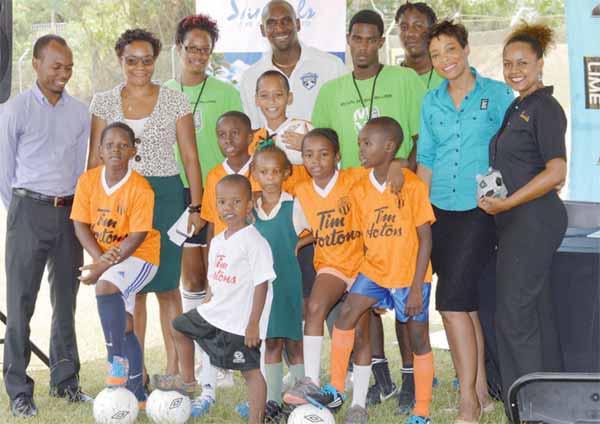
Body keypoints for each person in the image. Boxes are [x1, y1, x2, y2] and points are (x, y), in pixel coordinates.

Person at [88, 28, 204, 389]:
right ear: (119, 60)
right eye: (131, 60)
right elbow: (94, 160)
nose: (140, 67)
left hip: (166, 199)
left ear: (156, 60)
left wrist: (196, 206)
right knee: (128, 288)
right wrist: (95, 210)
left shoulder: (175, 101)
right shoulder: (103, 102)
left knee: (168, 287)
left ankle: (174, 370)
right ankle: (133, 372)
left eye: (147, 60)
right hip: (120, 204)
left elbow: (190, 157)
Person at [306, 117, 435, 424]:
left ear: (389, 147)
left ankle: (422, 411)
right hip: (374, 271)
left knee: (419, 340)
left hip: (408, 276)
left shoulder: (411, 185)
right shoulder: (360, 187)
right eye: (359, 143)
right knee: (347, 315)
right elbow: (363, 236)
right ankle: (336, 388)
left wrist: (416, 288)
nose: (361, 149)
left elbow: (426, 238)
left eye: (367, 143)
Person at [416, 20, 513, 422]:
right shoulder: (431, 101)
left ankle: (468, 404)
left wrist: (508, 201)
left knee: (452, 303)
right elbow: (426, 159)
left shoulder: (497, 93)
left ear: (466, 48)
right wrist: (420, 216)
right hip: (439, 210)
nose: (445, 60)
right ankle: (481, 393)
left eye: (450, 50)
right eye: (436, 54)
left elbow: (513, 150)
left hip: (481, 211)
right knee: (465, 305)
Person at [478, 23, 567, 421]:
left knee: (513, 317)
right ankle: (553, 402)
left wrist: (509, 202)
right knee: (535, 315)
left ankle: (527, 409)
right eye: (508, 64)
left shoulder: (545, 108)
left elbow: (557, 171)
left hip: (533, 220)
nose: (514, 71)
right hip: (515, 220)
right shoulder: (517, 106)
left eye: (523, 63)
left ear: (540, 64)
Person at [0, 34, 92, 417]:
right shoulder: (14, 110)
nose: (63, 74)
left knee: (66, 302)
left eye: (68, 67)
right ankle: (19, 390)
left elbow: (82, 170)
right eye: (56, 66)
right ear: (36, 63)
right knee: (20, 303)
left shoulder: (80, 113)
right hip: (27, 212)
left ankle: (66, 381)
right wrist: (23, 210)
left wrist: (74, 210)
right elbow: (4, 170)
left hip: (69, 214)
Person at [282, 129, 403, 405]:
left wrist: (396, 165)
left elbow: (388, 166)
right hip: (332, 264)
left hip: (363, 266)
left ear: (337, 157)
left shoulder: (354, 178)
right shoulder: (302, 191)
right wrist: (301, 241)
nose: (315, 161)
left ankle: (358, 403)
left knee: (360, 335)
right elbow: (307, 226)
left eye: (323, 154)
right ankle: (311, 381)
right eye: (308, 155)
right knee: (315, 306)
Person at [367, 2, 443, 411]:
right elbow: (395, 139)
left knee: (446, 296)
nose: (412, 32)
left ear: (433, 31)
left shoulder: (446, 74)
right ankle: (404, 377)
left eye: (420, 26)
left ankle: (456, 373)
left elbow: (418, 140)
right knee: (400, 293)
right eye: (405, 26)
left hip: (443, 196)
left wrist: (405, 166)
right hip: (399, 203)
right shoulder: (393, 78)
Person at [153, 174, 276, 424]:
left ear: (249, 205)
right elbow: (214, 279)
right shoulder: (218, 241)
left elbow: (262, 283)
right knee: (179, 325)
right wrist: (207, 303)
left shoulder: (254, 241)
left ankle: (256, 419)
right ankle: (188, 380)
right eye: (221, 202)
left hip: (240, 322)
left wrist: (253, 324)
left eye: (236, 202)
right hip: (216, 312)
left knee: (250, 372)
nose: (228, 208)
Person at [163, 14, 243, 378]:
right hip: (176, 193)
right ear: (178, 48)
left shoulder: (226, 93)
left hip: (217, 192)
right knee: (192, 280)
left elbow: (238, 143)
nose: (198, 55)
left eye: (205, 49)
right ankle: (200, 356)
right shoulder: (164, 91)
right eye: (191, 48)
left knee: (220, 277)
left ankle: (222, 359)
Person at [71, 122, 160, 408]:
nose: (116, 150)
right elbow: (80, 224)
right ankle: (138, 393)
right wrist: (100, 261)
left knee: (105, 287)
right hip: (109, 261)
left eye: (123, 145)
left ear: (133, 151)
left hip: (140, 257)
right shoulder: (88, 180)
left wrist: (101, 269)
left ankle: (115, 364)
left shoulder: (140, 188)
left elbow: (136, 237)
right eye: (109, 145)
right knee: (124, 324)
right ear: (99, 151)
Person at [312, 9, 425, 169]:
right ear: (348, 39)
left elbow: (424, 137)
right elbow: (321, 147)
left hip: (398, 180)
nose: (363, 47)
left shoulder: (405, 78)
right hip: (351, 183)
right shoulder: (329, 91)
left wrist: (407, 172)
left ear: (381, 42)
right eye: (357, 39)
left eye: (371, 40)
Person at [251, 143, 308, 421]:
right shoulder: (251, 210)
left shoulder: (294, 206)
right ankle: (273, 401)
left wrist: (300, 244)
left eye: (275, 171)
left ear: (286, 173)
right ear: (254, 174)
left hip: (288, 284)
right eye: (263, 172)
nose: (270, 177)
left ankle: (301, 398)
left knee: (294, 342)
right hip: (264, 289)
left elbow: (317, 231)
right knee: (271, 341)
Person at [240, 0, 347, 129]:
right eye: (271, 23)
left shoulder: (331, 66)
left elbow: (344, 118)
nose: (280, 28)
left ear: (298, 24)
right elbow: (254, 128)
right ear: (262, 30)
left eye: (286, 21)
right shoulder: (250, 77)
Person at [200, 111, 260, 240]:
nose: (228, 140)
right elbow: (212, 223)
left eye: (235, 133)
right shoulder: (213, 176)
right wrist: (211, 253)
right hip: (224, 250)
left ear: (250, 137)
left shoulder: (262, 171)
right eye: (222, 135)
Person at [396, 2, 443, 90]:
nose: (410, 33)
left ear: (432, 30)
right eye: (404, 27)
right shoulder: (391, 79)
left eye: (418, 26)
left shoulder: (448, 76)